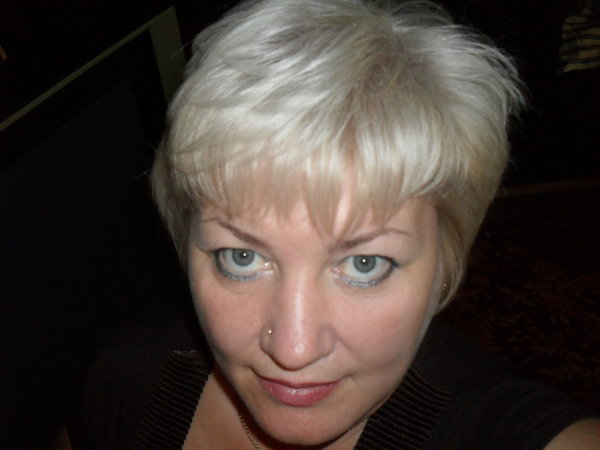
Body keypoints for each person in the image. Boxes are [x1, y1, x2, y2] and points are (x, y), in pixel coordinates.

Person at [63, 0, 600, 448]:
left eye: (364, 264)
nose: (293, 349)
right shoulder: (123, 377)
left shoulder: (499, 429)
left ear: (447, 260)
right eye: (241, 257)